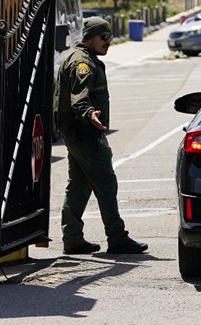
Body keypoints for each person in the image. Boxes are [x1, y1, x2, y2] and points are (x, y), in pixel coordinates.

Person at [53, 17, 149, 256]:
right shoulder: (82, 64)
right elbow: (79, 98)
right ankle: (117, 238)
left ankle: (73, 239)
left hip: (78, 133)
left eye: (110, 37)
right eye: (103, 37)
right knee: (106, 182)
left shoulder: (83, 58)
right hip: (85, 133)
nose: (108, 42)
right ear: (89, 38)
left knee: (79, 185)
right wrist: (89, 115)